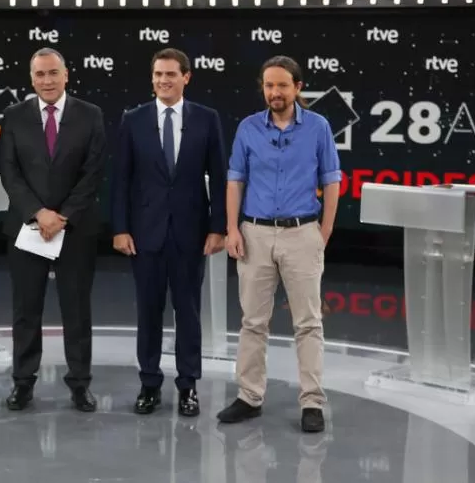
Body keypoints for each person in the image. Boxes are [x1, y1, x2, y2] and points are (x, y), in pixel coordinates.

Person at [216, 55, 340, 433]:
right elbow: (235, 179)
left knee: (308, 323)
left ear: (297, 87)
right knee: (253, 321)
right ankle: (249, 396)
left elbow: (332, 180)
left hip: (302, 233)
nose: (275, 92)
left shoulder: (318, 127)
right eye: (269, 85)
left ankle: (312, 402)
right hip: (254, 233)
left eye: (282, 85)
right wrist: (232, 229)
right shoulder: (249, 128)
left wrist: (324, 233)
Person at [110, 48, 228, 417]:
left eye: (171, 75)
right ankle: (149, 383)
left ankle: (188, 384)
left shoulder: (207, 119)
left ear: (186, 77)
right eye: (158, 74)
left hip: (190, 234)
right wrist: (120, 228)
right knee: (148, 311)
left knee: (188, 312)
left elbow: (221, 178)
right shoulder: (134, 119)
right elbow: (121, 180)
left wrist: (218, 227)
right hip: (145, 233)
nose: (163, 80)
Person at [0, 48, 106, 412]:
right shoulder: (14, 116)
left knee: (76, 309)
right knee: (26, 310)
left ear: (66, 75)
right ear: (32, 79)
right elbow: (9, 173)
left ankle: (79, 383)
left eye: (53, 73)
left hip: (74, 229)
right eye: (40, 74)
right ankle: (23, 383)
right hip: (27, 227)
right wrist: (38, 212)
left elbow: (93, 173)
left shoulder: (90, 115)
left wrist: (63, 216)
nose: (47, 81)